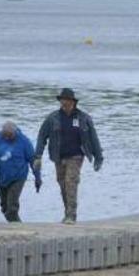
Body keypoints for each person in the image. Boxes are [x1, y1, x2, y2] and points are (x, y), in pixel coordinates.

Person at [34, 88, 104, 224]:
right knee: (62, 185)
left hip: (76, 156)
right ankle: (68, 212)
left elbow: (93, 137)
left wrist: (98, 157)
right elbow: (42, 136)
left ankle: (71, 215)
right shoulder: (52, 118)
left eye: (66, 100)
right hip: (58, 157)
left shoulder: (83, 118)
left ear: (73, 102)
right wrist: (38, 156)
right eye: (62, 100)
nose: (64, 102)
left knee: (71, 183)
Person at [0, 121, 41, 223]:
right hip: (2, 177)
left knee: (11, 208)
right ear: (2, 133)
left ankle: (19, 230)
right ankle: (17, 226)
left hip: (18, 177)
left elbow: (33, 160)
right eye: (5, 136)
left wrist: (37, 178)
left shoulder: (24, 141)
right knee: (4, 208)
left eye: (10, 136)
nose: (7, 138)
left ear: (15, 132)